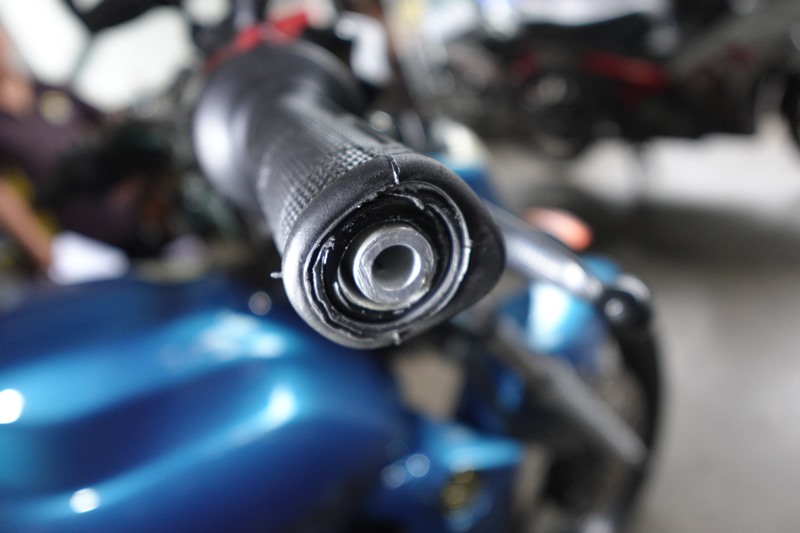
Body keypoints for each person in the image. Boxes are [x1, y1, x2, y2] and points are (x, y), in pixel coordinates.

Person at [0, 27, 176, 273]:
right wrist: (42, 250)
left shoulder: (51, 90)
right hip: (87, 248)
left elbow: (113, 128)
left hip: (141, 220)